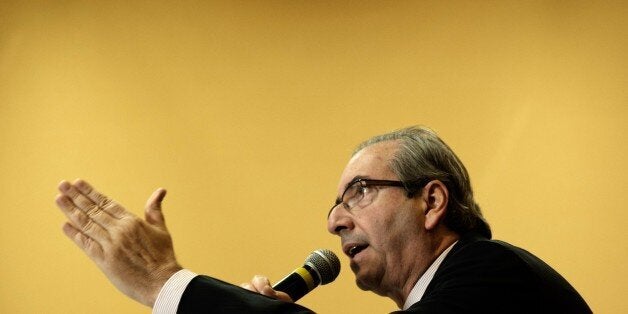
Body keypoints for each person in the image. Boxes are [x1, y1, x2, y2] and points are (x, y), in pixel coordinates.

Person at [55, 126, 591, 313]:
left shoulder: (493, 274)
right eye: (334, 205)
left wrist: (162, 283)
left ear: (431, 202)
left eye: (358, 193)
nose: (335, 222)